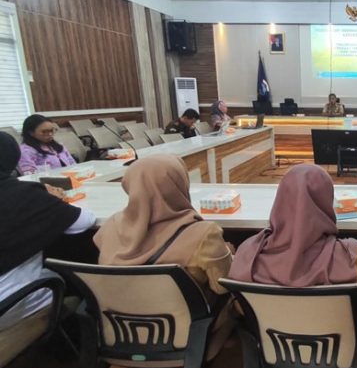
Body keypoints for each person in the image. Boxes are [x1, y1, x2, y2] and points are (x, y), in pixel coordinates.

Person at [229, 164, 357, 324]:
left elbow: (242, 309)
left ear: (280, 199)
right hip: (341, 344)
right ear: (326, 202)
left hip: (273, 344)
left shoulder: (248, 255)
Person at [94, 155, 233, 298]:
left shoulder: (110, 226)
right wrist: (226, 252)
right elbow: (221, 287)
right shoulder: (205, 234)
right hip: (183, 312)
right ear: (179, 183)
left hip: (116, 311)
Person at [0, 132, 96, 331]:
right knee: (74, 268)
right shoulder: (23, 194)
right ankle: (82, 336)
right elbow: (84, 221)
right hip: (9, 306)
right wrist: (52, 200)